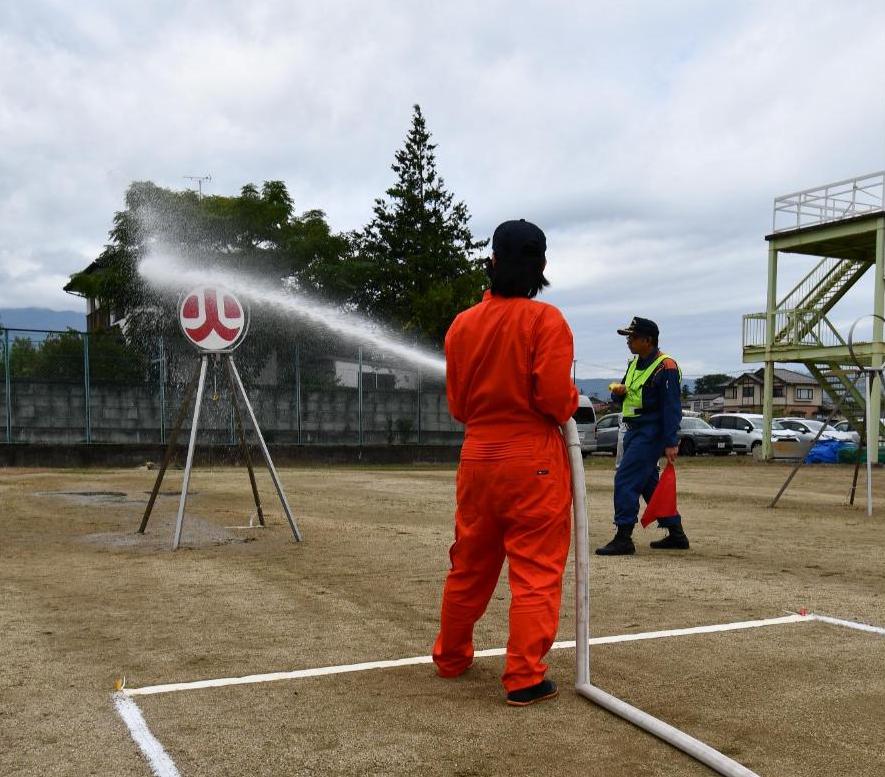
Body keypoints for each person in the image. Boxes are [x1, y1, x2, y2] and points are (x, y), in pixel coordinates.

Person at [433, 219, 578, 707]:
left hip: (477, 457)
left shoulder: (462, 323)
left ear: (492, 262)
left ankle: (451, 657)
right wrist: (574, 399)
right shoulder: (546, 320)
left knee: (469, 562)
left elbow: (457, 405)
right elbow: (556, 399)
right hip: (532, 457)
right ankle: (523, 678)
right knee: (535, 570)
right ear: (541, 267)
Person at [596, 316, 689, 556]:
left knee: (625, 479)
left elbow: (671, 407)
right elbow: (629, 394)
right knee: (649, 485)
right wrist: (619, 392)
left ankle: (623, 536)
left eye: (632, 337)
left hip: (650, 431)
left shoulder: (666, 366)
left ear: (648, 340)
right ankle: (676, 534)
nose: (628, 341)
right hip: (634, 429)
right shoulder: (635, 363)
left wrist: (671, 441)